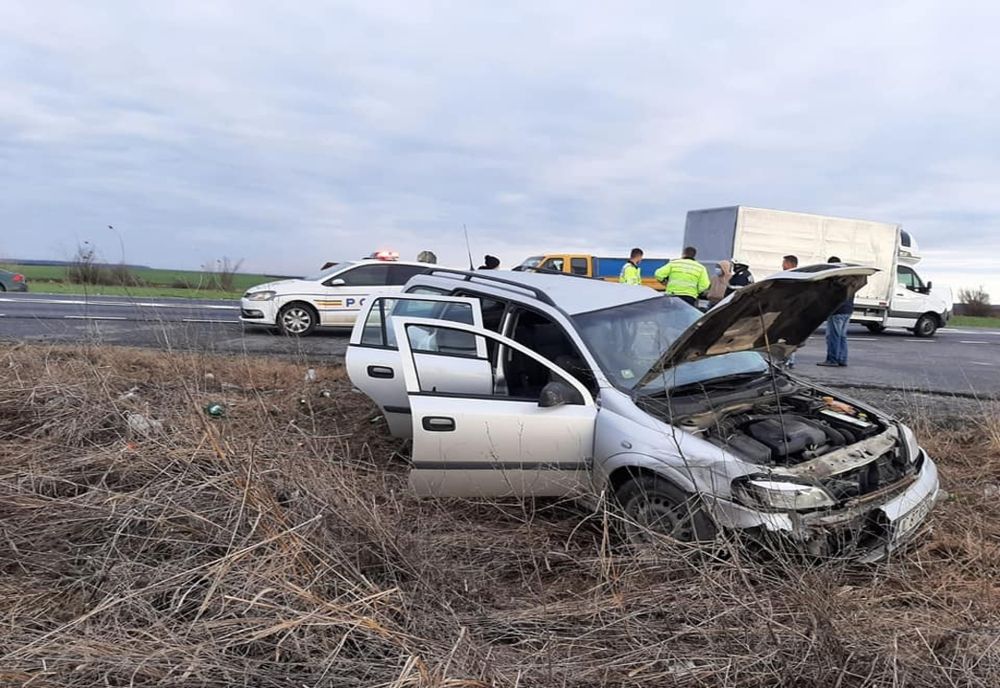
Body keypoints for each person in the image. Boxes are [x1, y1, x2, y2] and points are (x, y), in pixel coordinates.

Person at [817, 256, 851, 367]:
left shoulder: (835, 278)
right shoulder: (847, 277)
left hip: (837, 310)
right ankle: (842, 359)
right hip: (847, 310)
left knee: (833, 336)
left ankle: (832, 360)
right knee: (842, 336)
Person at [780, 255, 799, 368]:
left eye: (784, 263)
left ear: (790, 264)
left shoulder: (793, 276)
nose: (782, 265)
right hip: (789, 310)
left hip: (791, 311)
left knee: (788, 337)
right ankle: (789, 360)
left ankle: (788, 360)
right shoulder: (793, 275)